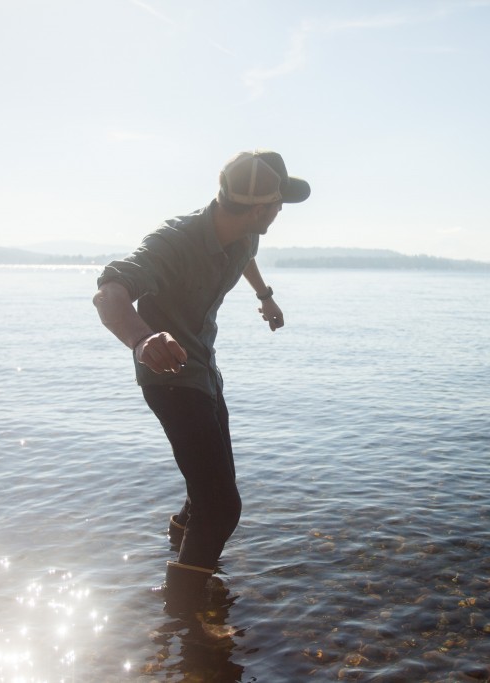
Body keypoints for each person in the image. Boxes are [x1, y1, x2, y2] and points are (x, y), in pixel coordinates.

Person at [92, 150, 310, 611]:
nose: (280, 212)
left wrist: (265, 297)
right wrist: (141, 341)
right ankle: (182, 613)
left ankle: (179, 549)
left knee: (209, 485)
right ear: (259, 209)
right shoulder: (174, 242)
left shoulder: (246, 233)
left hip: (204, 369)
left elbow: (246, 258)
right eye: (277, 204)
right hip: (168, 375)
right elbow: (109, 296)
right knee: (223, 505)